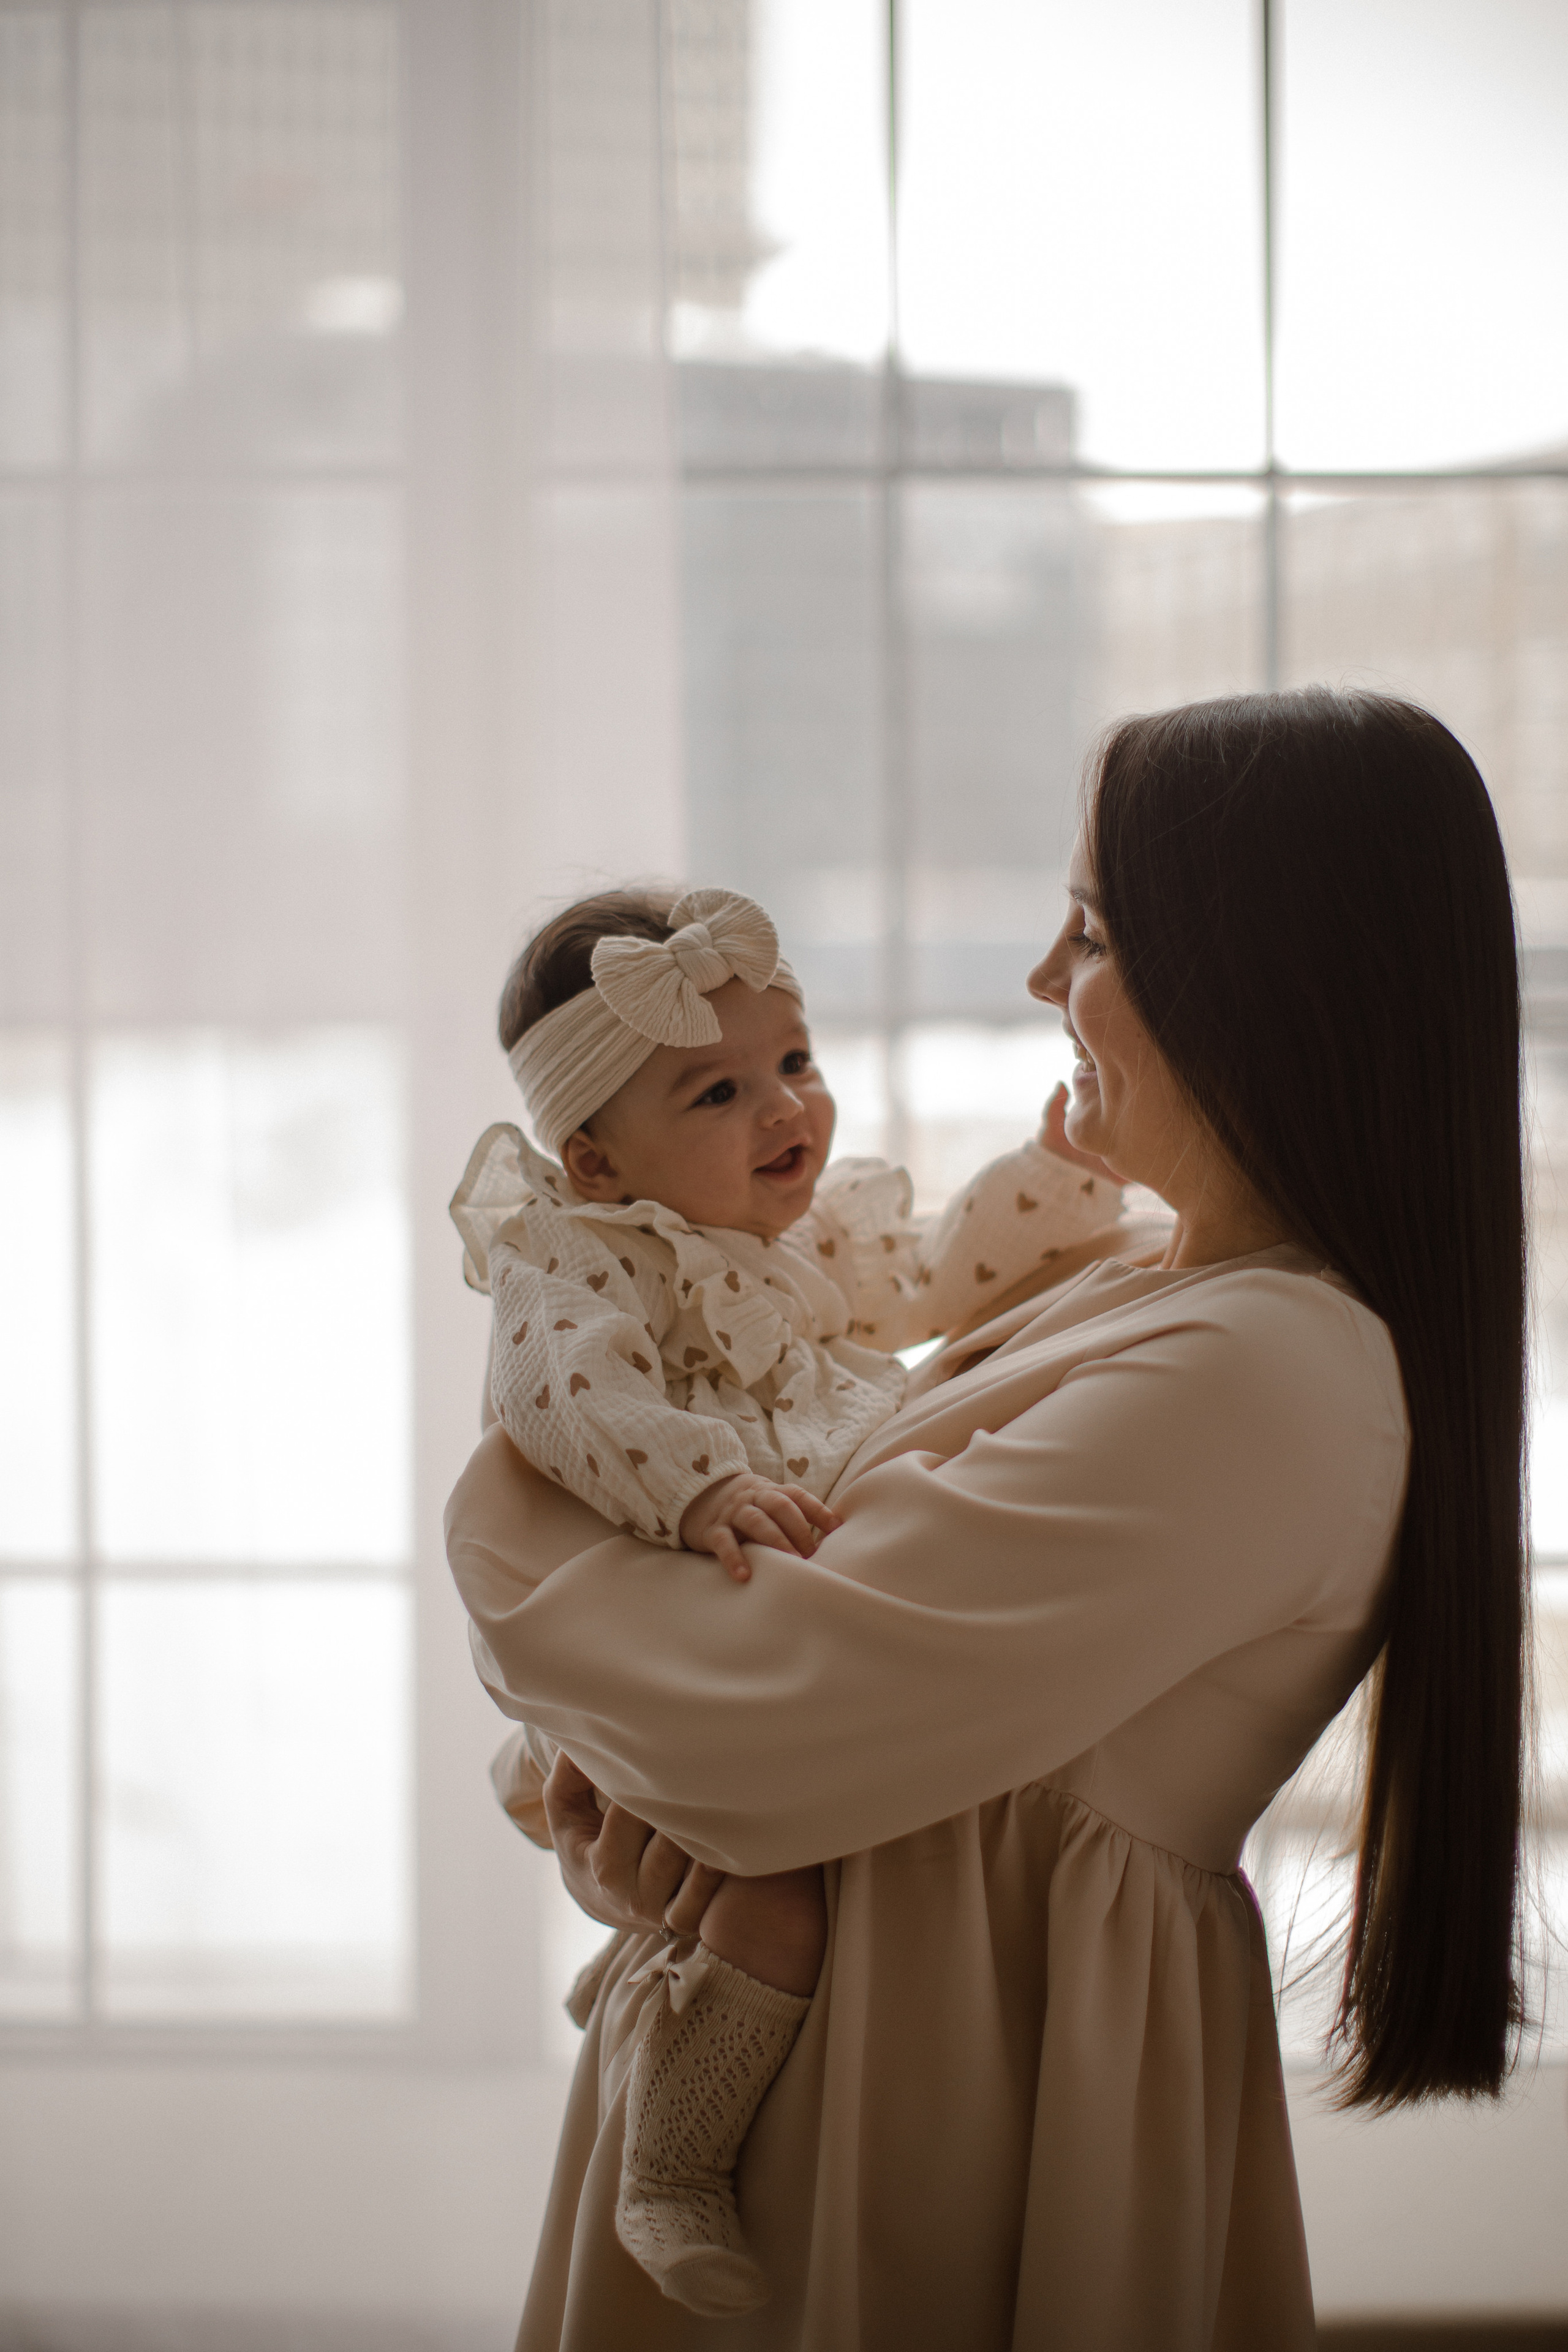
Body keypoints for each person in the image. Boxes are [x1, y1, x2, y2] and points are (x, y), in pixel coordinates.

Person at [446, 688, 1528, 2352]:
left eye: (1089, 932)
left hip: (941, 2102)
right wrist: (646, 1805)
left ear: (1254, 981)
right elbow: (757, 1724)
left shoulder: (1265, 1374)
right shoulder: (1143, 1286)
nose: (1038, 979)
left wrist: (510, 1503)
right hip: (858, 2057)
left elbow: (753, 1720)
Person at [449, 882, 1121, 2313]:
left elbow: (937, 1272)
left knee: (775, 1880)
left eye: (794, 1063)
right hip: (664, 1638)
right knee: (774, 1899)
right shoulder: (580, 1263)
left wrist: (1057, 1172)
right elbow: (564, 1397)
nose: (785, 1110)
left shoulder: (802, 1243)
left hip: (771, 1625)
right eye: (717, 1092)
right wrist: (697, 1488)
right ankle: (672, 2162)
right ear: (592, 1159)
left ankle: (674, 1975)